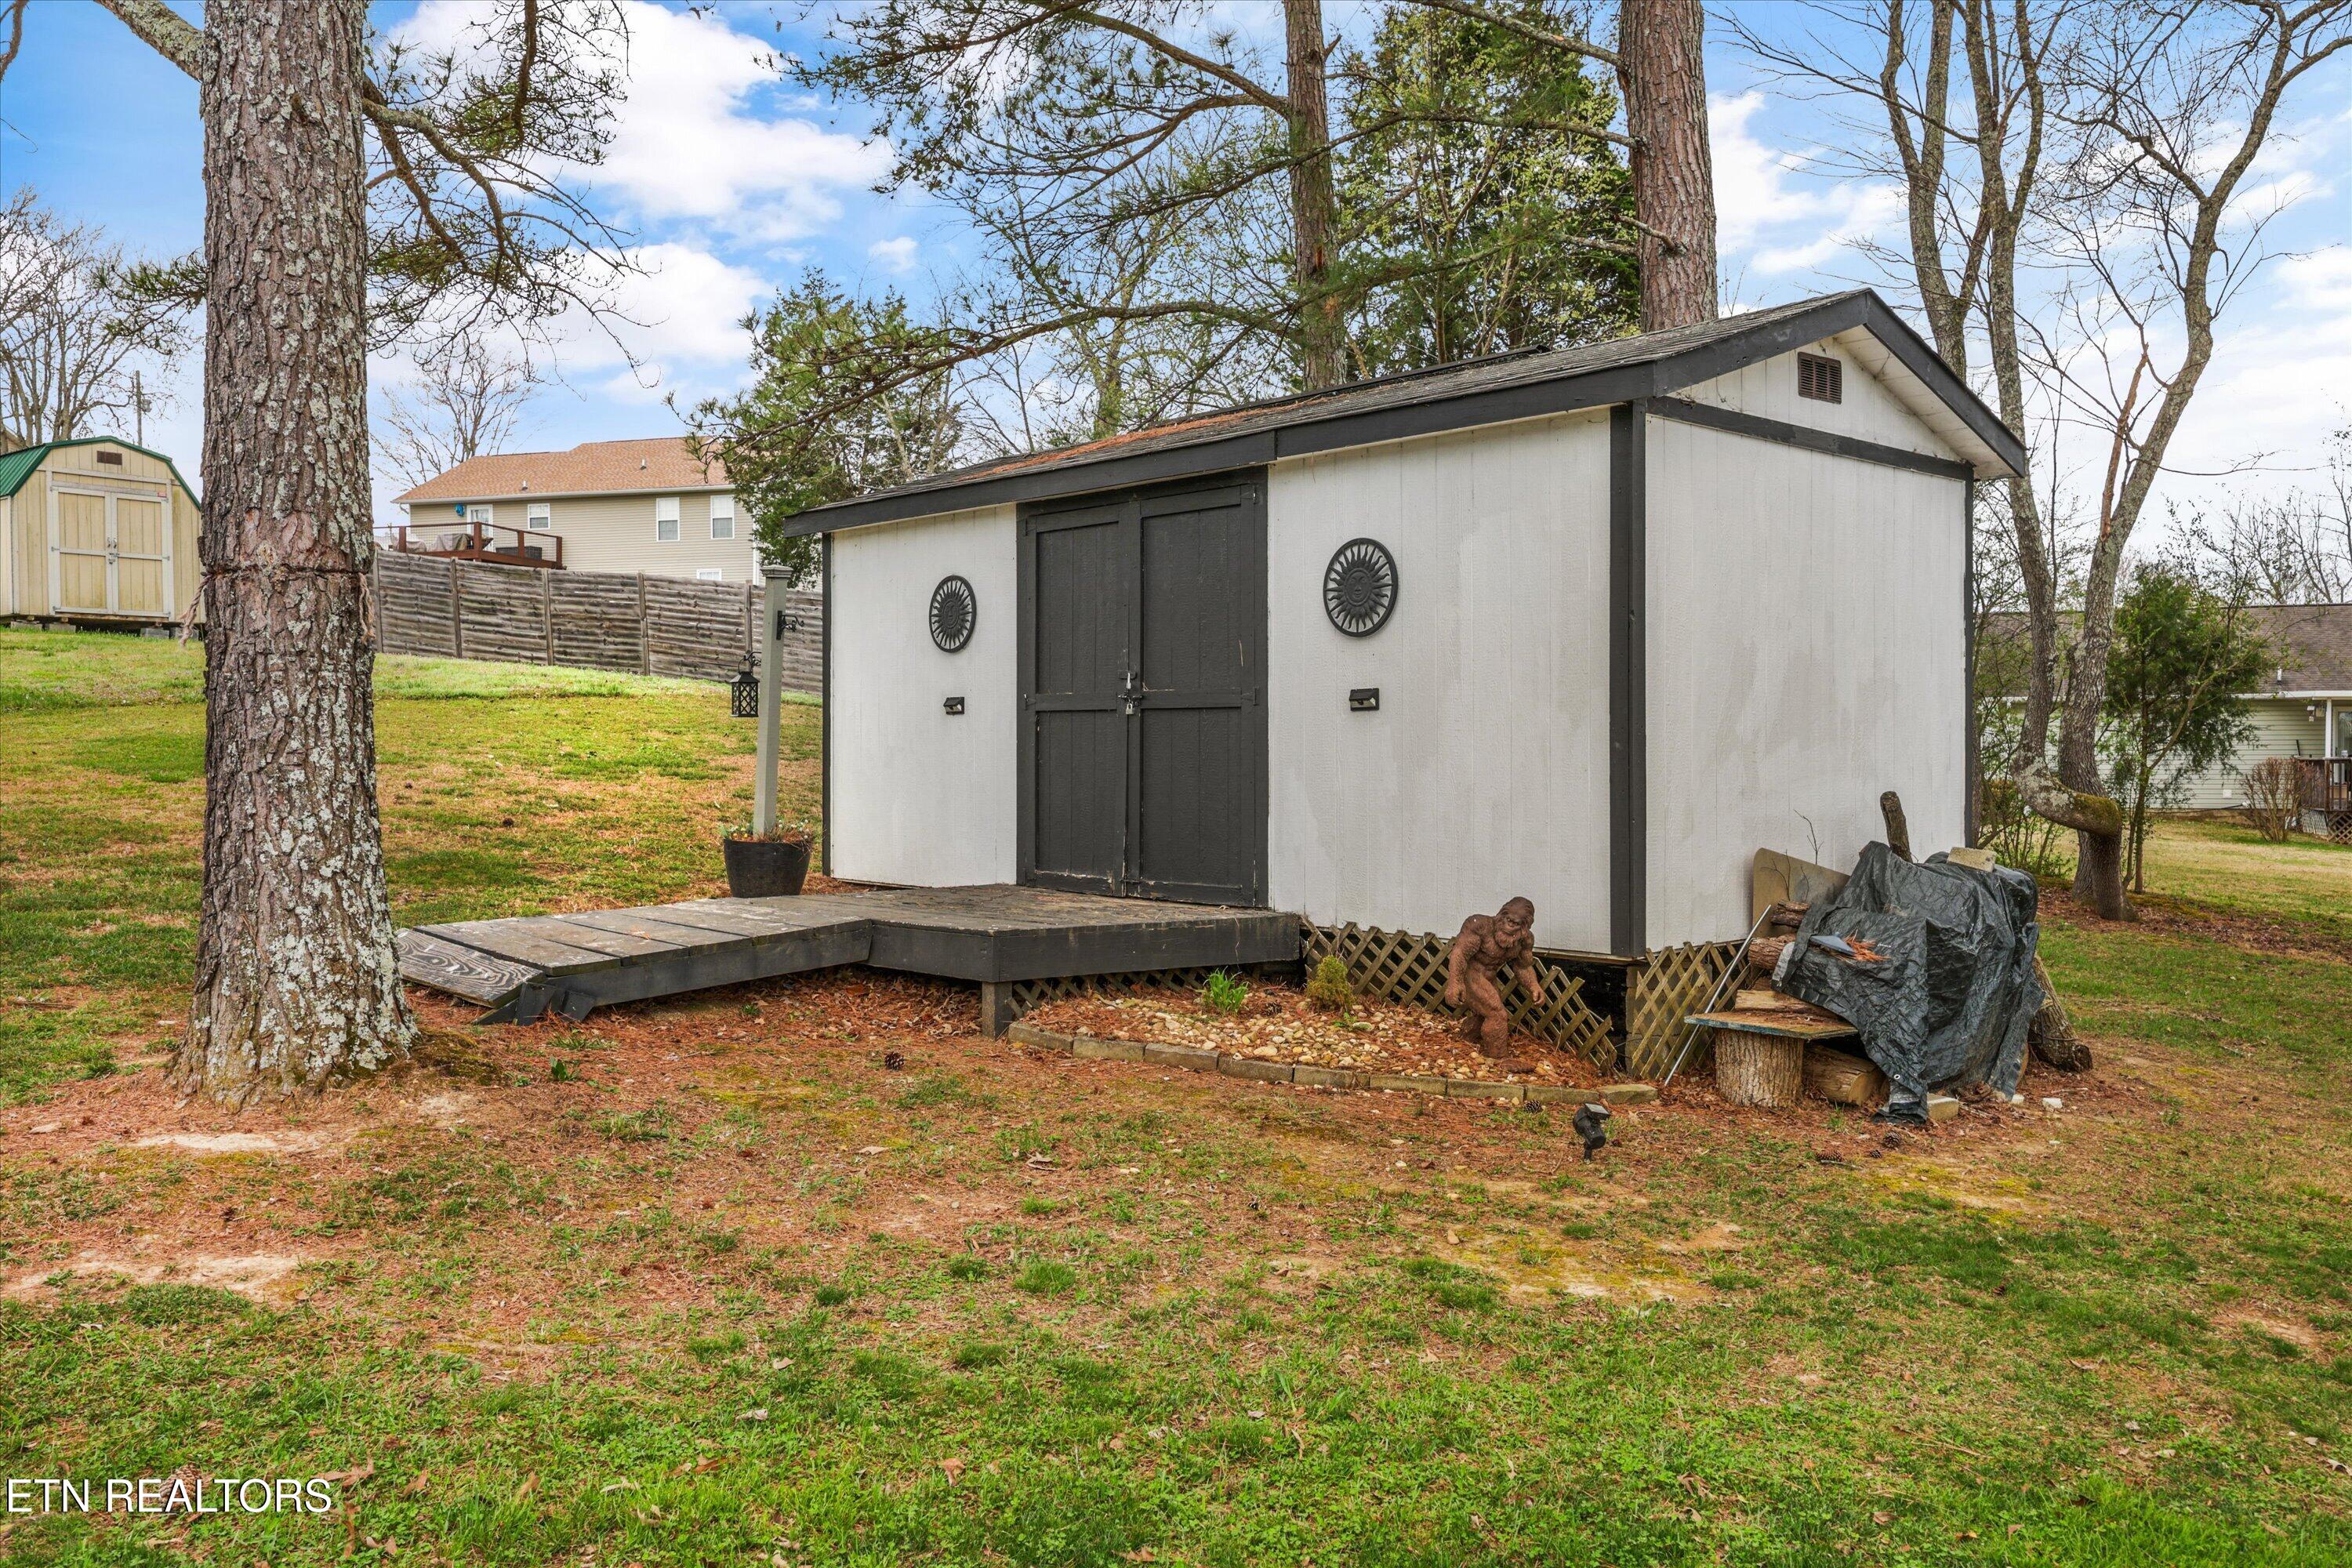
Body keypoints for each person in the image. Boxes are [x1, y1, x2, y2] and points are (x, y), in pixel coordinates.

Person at [1443, 896, 1543, 1058]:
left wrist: (1534, 986)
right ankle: (1499, 1058)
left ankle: (1464, 1039)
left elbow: (1523, 965)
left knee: (1485, 1013)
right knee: (1497, 1014)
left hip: (1489, 977)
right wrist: (1455, 982)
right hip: (1471, 974)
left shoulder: (1525, 940)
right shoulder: (1480, 926)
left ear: (1525, 926)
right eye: (1508, 919)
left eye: (1516, 923)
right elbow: (1460, 953)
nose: (1510, 925)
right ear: (1501, 915)